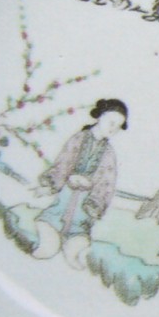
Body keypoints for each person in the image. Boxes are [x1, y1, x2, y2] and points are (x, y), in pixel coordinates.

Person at [30, 98, 128, 269]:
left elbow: (107, 182)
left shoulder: (108, 153)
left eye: (118, 126)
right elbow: (63, 162)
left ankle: (73, 251)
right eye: (111, 122)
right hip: (66, 193)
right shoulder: (79, 138)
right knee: (50, 221)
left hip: (84, 203)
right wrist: (50, 185)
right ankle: (48, 245)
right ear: (100, 116)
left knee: (79, 235)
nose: (113, 128)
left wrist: (95, 203)